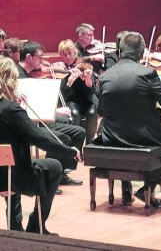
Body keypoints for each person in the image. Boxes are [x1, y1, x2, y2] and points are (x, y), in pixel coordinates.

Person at [97, 31, 161, 207]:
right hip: (142, 136)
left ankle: (133, 188)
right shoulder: (147, 74)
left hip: (111, 137)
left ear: (120, 50)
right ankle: (149, 187)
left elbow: (100, 110)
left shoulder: (104, 76)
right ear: (141, 52)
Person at [0, 55, 81, 235]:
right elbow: (41, 140)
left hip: (4, 171)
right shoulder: (11, 109)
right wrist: (69, 151)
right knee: (54, 166)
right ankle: (36, 226)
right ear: (9, 80)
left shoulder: (9, 108)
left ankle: (14, 226)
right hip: (16, 175)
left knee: (8, 169)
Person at [17, 41, 85, 188]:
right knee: (63, 138)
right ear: (29, 57)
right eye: (40, 57)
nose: (43, 62)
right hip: (28, 123)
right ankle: (50, 177)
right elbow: (26, 109)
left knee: (79, 132)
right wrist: (54, 111)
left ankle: (62, 172)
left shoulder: (28, 74)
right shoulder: (18, 76)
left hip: (36, 118)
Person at [57, 39, 98, 145]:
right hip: (72, 99)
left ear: (75, 52)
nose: (67, 57)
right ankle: (76, 145)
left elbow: (91, 92)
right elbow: (62, 95)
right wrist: (70, 79)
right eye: (64, 54)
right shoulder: (60, 69)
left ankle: (89, 144)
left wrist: (88, 78)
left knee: (92, 113)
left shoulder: (84, 66)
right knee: (74, 114)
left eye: (69, 53)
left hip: (88, 98)